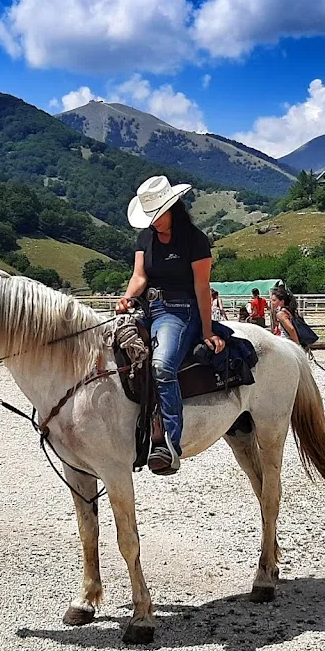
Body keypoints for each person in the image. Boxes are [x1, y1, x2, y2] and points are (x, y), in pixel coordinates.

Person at [117, 176, 225, 475]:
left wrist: (207, 331)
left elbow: (202, 288)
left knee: (163, 365)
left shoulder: (194, 240)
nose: (153, 222)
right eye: (149, 217)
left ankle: (169, 442)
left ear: (173, 208)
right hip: (148, 307)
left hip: (181, 311)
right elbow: (139, 277)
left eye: (157, 216)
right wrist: (127, 297)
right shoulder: (145, 238)